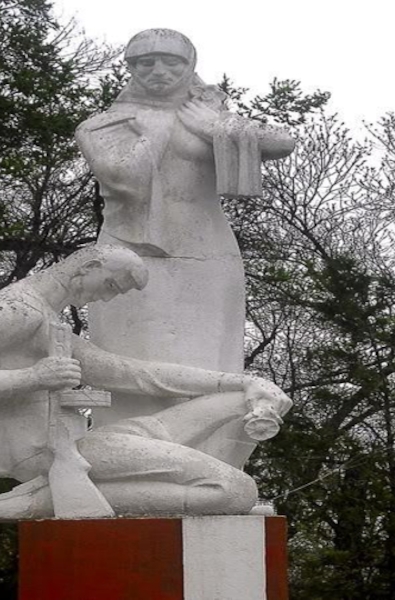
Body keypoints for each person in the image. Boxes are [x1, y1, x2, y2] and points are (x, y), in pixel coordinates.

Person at [0, 245, 292, 521]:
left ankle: (56, 495)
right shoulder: (14, 311)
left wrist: (243, 381)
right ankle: (43, 501)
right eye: (110, 286)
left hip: (81, 442)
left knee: (237, 400)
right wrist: (31, 378)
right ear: (88, 266)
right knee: (235, 490)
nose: (106, 299)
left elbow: (130, 372)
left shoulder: (47, 317)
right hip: (46, 453)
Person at [75, 30, 296, 468]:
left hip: (207, 253)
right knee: (130, 359)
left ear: (189, 65)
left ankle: (213, 467)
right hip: (130, 256)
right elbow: (119, 175)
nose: (158, 71)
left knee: (211, 356)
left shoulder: (206, 113)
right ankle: (126, 462)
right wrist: (155, 130)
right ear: (131, 68)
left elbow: (281, 142)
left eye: (171, 61)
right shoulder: (105, 123)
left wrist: (218, 127)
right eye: (145, 62)